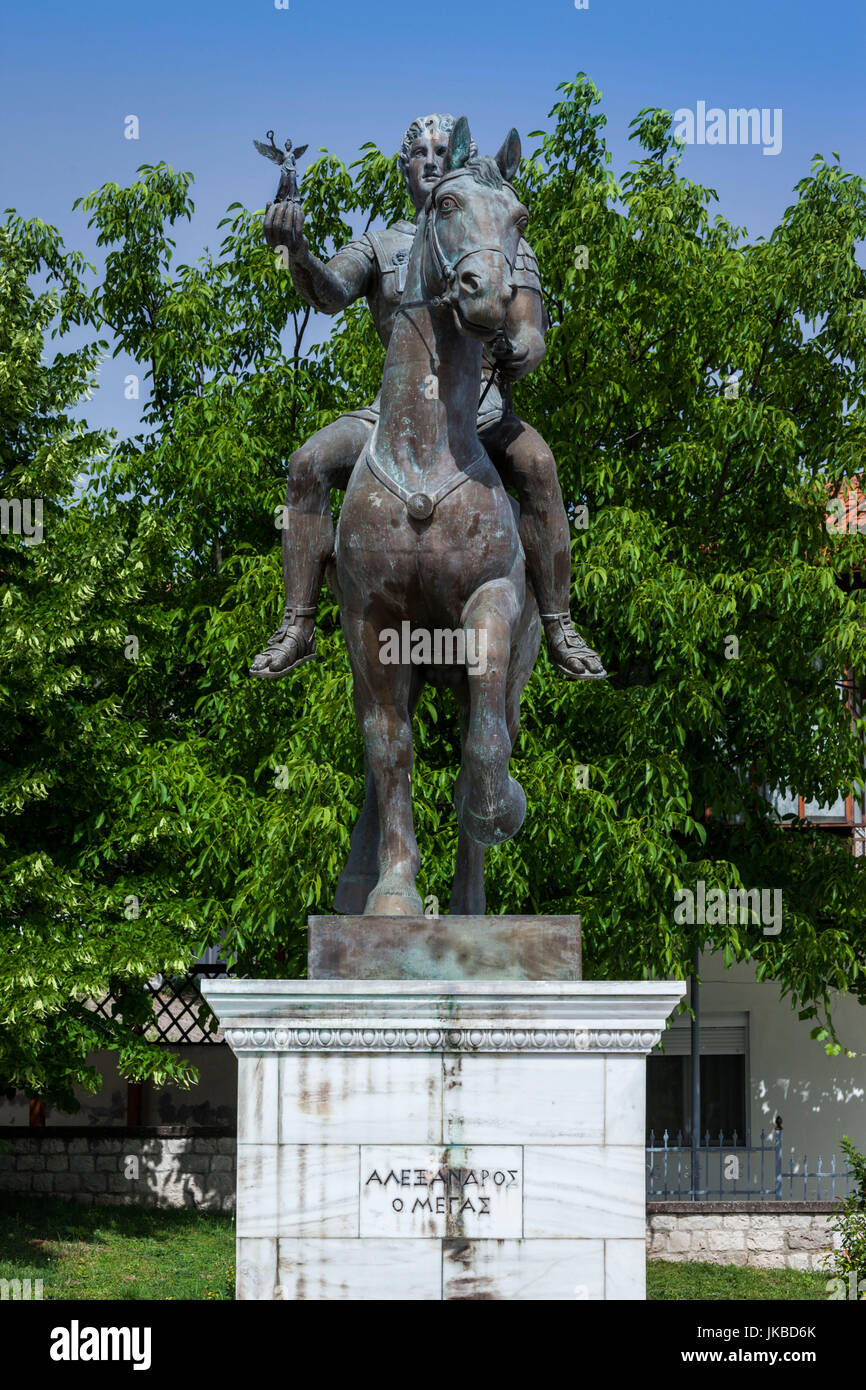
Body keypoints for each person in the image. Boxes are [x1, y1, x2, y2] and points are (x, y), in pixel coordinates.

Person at [250, 113, 606, 682]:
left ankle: (558, 621)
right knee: (308, 462)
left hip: (482, 411)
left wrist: (521, 350)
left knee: (538, 465)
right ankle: (298, 623)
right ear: (405, 167)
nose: (433, 162)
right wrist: (296, 250)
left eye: (444, 152)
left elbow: (531, 330)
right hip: (393, 416)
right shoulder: (380, 242)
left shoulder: (496, 234)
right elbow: (329, 293)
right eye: (422, 153)